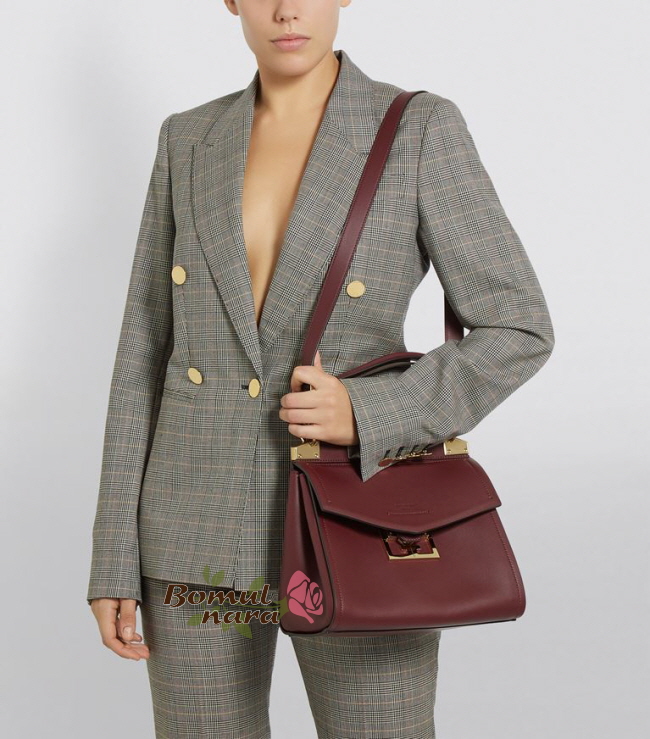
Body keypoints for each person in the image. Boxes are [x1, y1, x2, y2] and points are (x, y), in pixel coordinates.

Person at [87, 1, 555, 737]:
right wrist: (115, 554)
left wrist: (372, 412)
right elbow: (144, 349)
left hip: (359, 516)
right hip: (193, 526)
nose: (286, 10)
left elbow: (518, 326)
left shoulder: (416, 128)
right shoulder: (188, 138)